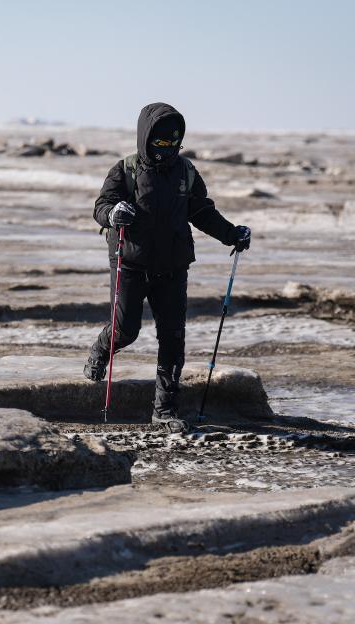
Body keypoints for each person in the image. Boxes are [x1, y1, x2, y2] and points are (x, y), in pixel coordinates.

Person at [84, 102, 251, 433]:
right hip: (129, 263)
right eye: (160, 143)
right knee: (126, 330)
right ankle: (102, 348)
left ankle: (165, 410)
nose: (168, 150)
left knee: (173, 339)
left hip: (173, 267)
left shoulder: (186, 173)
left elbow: (202, 212)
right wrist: (113, 213)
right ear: (146, 139)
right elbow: (101, 207)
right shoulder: (125, 170)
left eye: (174, 143)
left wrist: (232, 234)